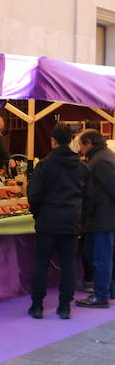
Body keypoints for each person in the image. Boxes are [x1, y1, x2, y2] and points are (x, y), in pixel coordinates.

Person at [26, 123, 91, 320]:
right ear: (71, 140)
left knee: (41, 264)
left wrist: (39, 215)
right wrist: (81, 221)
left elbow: (34, 195)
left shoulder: (44, 165)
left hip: (47, 221)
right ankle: (64, 306)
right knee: (68, 264)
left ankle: (37, 305)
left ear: (53, 140)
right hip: (71, 222)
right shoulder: (82, 167)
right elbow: (89, 198)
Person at [75, 130, 115, 309]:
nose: (80, 149)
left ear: (89, 142)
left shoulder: (101, 161)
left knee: (101, 256)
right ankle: (106, 289)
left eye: (81, 145)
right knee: (96, 254)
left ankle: (101, 295)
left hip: (103, 217)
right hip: (101, 216)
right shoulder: (104, 157)